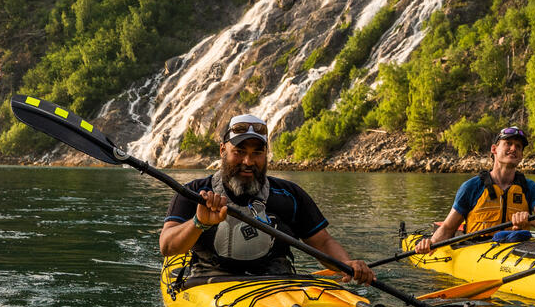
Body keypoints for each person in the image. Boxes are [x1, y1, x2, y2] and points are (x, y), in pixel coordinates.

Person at [160, 112, 375, 283]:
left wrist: (347, 263)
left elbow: (322, 242)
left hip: (277, 280)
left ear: (266, 154)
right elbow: (167, 247)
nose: (248, 161)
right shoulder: (195, 192)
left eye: (257, 153)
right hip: (210, 280)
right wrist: (198, 223)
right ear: (223, 150)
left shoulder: (290, 194)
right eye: (239, 151)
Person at [420, 125, 535, 250]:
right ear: (494, 149)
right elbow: (448, 229)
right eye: (508, 143)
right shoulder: (471, 187)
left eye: (518, 147)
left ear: (521, 156)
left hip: (516, 248)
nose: (514, 148)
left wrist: (529, 218)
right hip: (476, 249)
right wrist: (430, 244)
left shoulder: (530, 188)